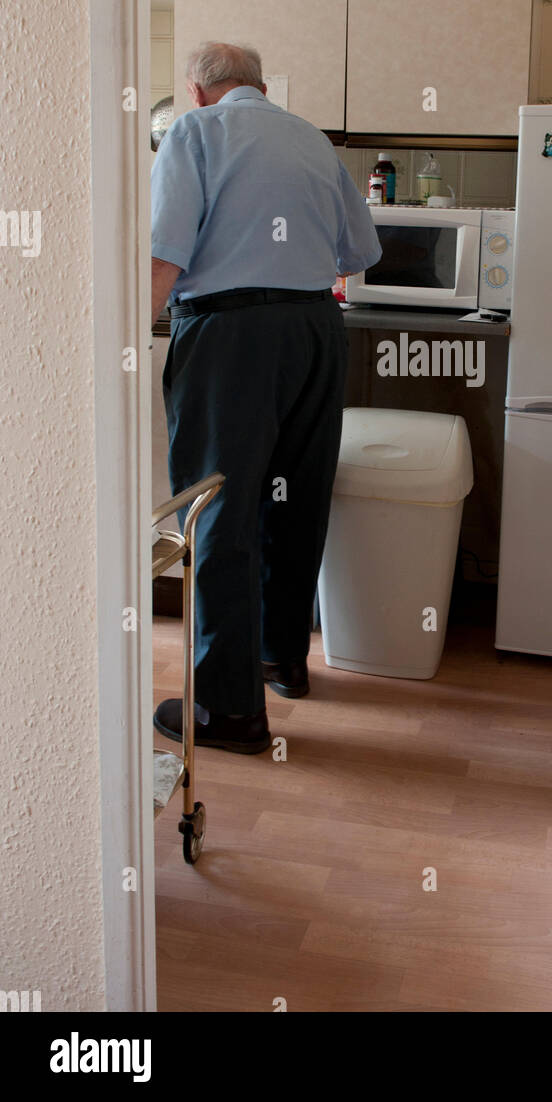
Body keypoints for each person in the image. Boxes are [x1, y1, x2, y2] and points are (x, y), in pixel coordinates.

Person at [150, 42, 381, 754]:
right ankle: (281, 659)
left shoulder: (193, 132)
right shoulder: (309, 135)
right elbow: (359, 253)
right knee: (293, 498)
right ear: (257, 85)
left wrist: (122, 340)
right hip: (316, 329)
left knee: (218, 509)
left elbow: (166, 253)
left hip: (232, 336)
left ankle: (229, 711)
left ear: (197, 90)